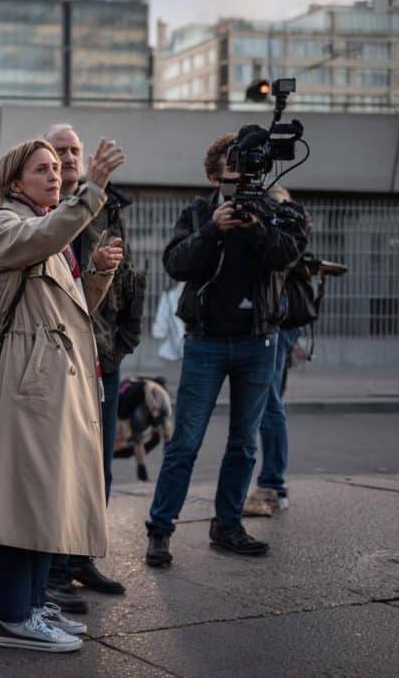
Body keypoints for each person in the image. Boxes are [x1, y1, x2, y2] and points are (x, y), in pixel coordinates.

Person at [0, 137, 125, 652]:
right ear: (15, 181)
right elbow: (37, 240)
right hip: (28, 375)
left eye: (58, 169)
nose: (55, 175)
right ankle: (15, 617)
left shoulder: (46, 232)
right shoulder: (0, 223)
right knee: (27, 498)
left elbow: (71, 308)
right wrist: (93, 191)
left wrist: (101, 272)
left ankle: (32, 602)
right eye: (43, 169)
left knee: (45, 497)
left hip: (49, 374)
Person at [145, 133, 307, 568]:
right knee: (185, 442)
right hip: (207, 342)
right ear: (215, 174)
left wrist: (257, 226)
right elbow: (176, 263)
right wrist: (212, 230)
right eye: (231, 168)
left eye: (247, 167)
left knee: (243, 444)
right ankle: (160, 530)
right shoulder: (200, 211)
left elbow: (287, 256)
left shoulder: (276, 211)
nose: (240, 175)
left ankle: (227, 525)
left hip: (259, 341)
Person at [42, 124, 143, 608]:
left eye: (72, 150)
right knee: (63, 469)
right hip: (60, 360)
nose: (64, 157)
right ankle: (54, 569)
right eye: (57, 150)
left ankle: (81, 556)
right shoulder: (44, 209)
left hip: (102, 358)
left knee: (98, 468)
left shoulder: (110, 206)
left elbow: (127, 277)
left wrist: (121, 345)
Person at [243, 185, 308, 516]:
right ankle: (273, 483)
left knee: (270, 403)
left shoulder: (283, 225)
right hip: (279, 322)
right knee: (271, 401)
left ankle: (273, 484)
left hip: (276, 322)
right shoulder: (289, 224)